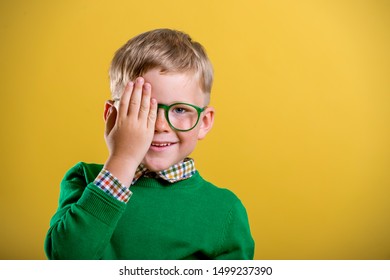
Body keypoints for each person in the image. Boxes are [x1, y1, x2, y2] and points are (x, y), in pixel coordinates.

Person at [44, 28, 254, 260]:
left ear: (203, 122)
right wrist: (123, 159)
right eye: (143, 108)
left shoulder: (225, 210)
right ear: (112, 116)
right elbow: (65, 259)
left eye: (180, 109)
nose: (161, 125)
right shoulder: (84, 180)